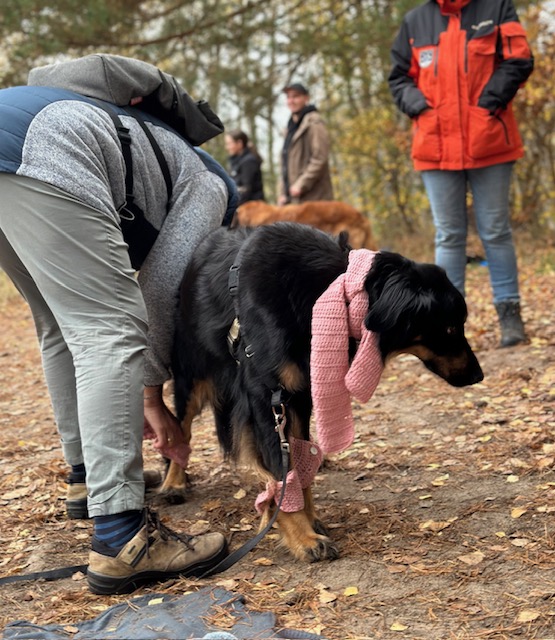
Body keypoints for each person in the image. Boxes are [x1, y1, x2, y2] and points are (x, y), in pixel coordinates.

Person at [0, 80, 233, 594]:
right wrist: (152, 396)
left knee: (61, 323)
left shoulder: (154, 150)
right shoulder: (213, 186)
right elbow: (160, 285)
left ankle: (87, 480)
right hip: (45, 149)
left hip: (15, 141)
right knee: (109, 328)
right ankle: (122, 536)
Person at [388, 0, 534, 347]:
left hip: (489, 140)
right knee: (449, 235)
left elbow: (519, 59)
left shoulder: (497, 9)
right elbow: (399, 77)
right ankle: (447, 323)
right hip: (435, 145)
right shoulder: (415, 21)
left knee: (495, 230)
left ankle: (509, 315)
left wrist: (487, 104)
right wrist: (419, 107)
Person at [278, 82, 334, 205]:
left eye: (295, 96)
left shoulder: (314, 123)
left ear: (306, 98)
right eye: (288, 97)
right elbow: (284, 165)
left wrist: (300, 185)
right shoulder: (290, 128)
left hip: (314, 200)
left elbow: (320, 158)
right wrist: (282, 193)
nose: (291, 101)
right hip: (294, 201)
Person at [224, 129, 265, 205]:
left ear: (239, 143)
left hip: (252, 208)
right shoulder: (234, 161)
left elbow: (246, 190)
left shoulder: (249, 161)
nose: (227, 147)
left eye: (229, 144)